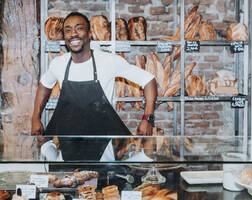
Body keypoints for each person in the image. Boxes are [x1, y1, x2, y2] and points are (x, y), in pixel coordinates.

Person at [31, 12, 157, 161]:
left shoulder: (109, 61)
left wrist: (147, 118)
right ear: (64, 36)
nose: (74, 34)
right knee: (67, 181)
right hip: (66, 147)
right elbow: (44, 85)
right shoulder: (59, 64)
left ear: (90, 33)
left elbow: (149, 80)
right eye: (68, 30)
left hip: (104, 147)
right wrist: (35, 117)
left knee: (105, 181)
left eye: (79, 28)